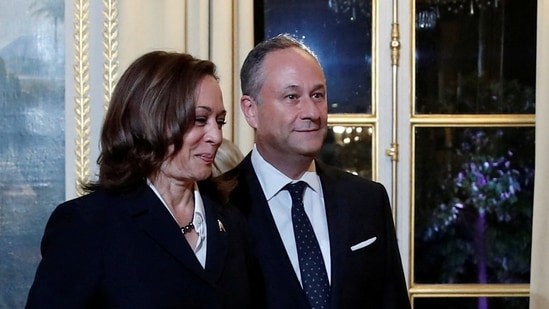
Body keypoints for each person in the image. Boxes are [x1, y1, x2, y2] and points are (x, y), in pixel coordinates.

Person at [26, 51, 260, 308]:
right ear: (151, 120)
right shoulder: (88, 225)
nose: (215, 136)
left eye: (220, 121)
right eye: (200, 120)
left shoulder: (232, 222)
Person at [222, 34, 411, 308]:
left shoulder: (366, 200)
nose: (312, 111)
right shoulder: (219, 205)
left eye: (318, 95)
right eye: (292, 97)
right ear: (251, 111)